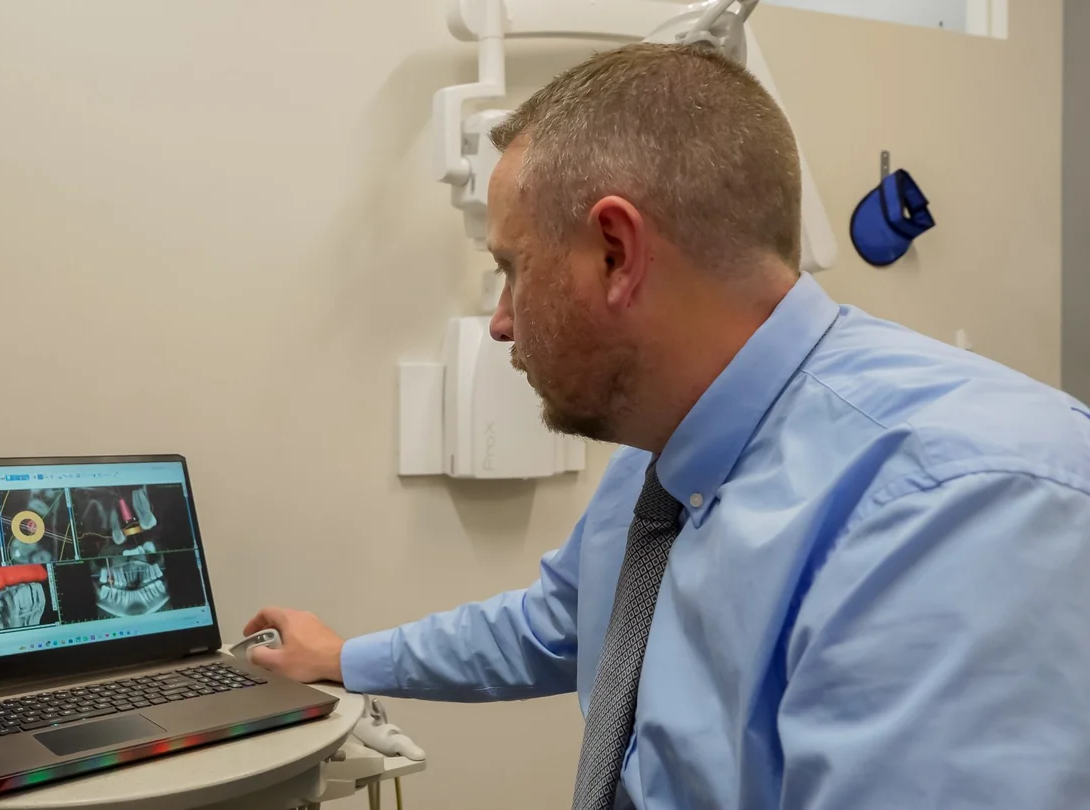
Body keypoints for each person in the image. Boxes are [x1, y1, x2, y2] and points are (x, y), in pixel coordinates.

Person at [245, 43, 1090, 809]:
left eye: (512, 268)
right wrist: (345, 659)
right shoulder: (669, 451)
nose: (500, 321)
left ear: (617, 252)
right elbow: (556, 624)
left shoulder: (963, 505)